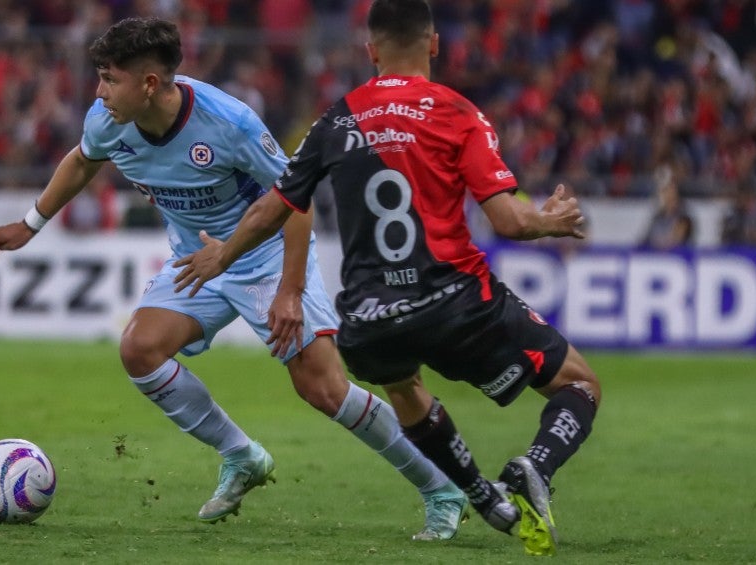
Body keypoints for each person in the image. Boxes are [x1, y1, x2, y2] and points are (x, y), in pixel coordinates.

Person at [0, 16, 471, 541]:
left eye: (110, 79)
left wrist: (289, 291)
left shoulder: (228, 123)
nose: (99, 92)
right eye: (100, 77)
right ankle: (242, 456)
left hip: (264, 257)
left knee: (323, 389)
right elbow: (82, 161)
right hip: (197, 262)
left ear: (149, 83)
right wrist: (30, 224)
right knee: (140, 350)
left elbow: (296, 202)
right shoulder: (109, 118)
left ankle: (442, 487)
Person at [173, 0, 601, 556]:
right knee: (579, 385)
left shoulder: (335, 119)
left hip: (371, 322)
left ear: (370, 50)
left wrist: (222, 255)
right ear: (435, 44)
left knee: (401, 385)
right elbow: (508, 220)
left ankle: (478, 495)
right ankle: (534, 467)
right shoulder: (458, 112)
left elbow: (275, 207)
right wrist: (549, 221)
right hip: (456, 303)